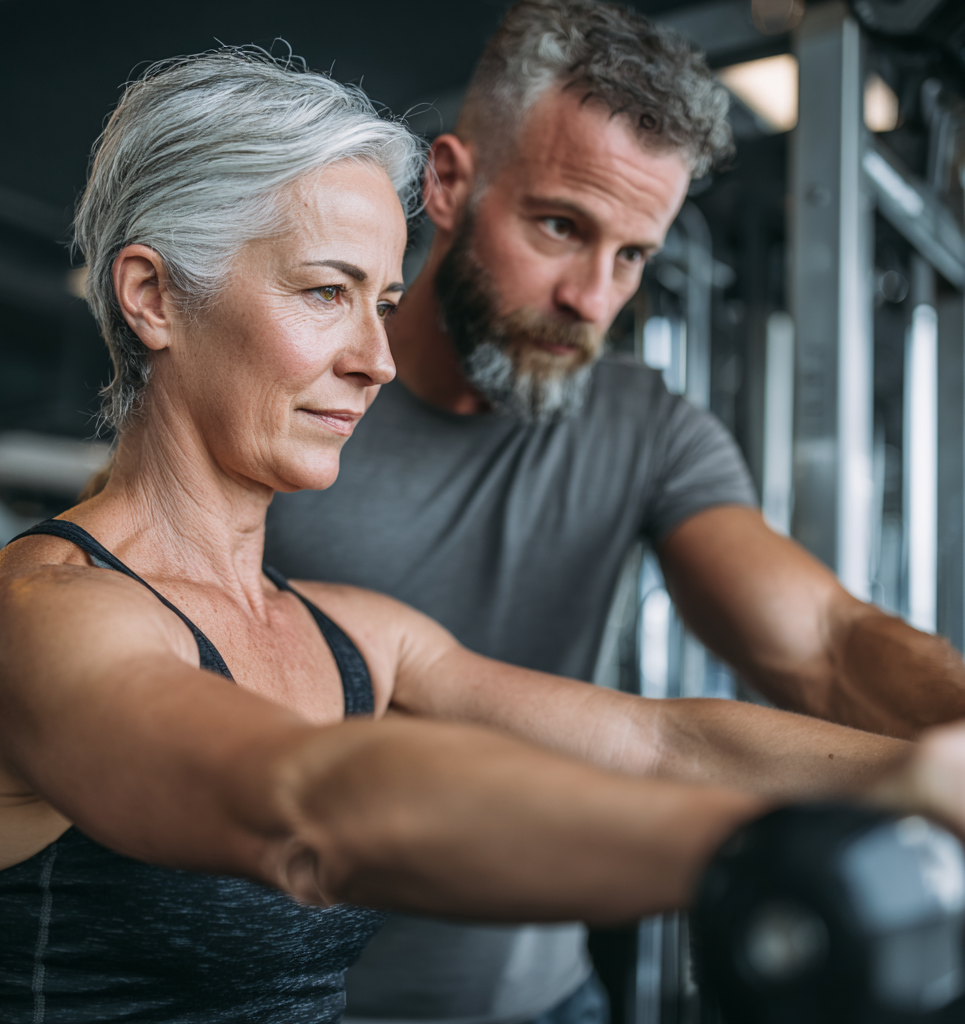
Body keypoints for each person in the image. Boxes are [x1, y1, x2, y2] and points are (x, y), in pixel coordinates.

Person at [0, 43, 943, 1024]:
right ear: (153, 297)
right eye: (326, 292)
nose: (374, 358)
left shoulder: (355, 633)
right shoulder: (39, 620)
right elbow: (316, 805)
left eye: (381, 301)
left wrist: (909, 779)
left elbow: (654, 743)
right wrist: (772, 854)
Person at [262, 3, 965, 1023]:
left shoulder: (647, 427)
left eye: (633, 255)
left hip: (551, 1000)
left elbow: (822, 641)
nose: (592, 298)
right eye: (560, 227)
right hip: (300, 1001)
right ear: (449, 185)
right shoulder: (288, 409)